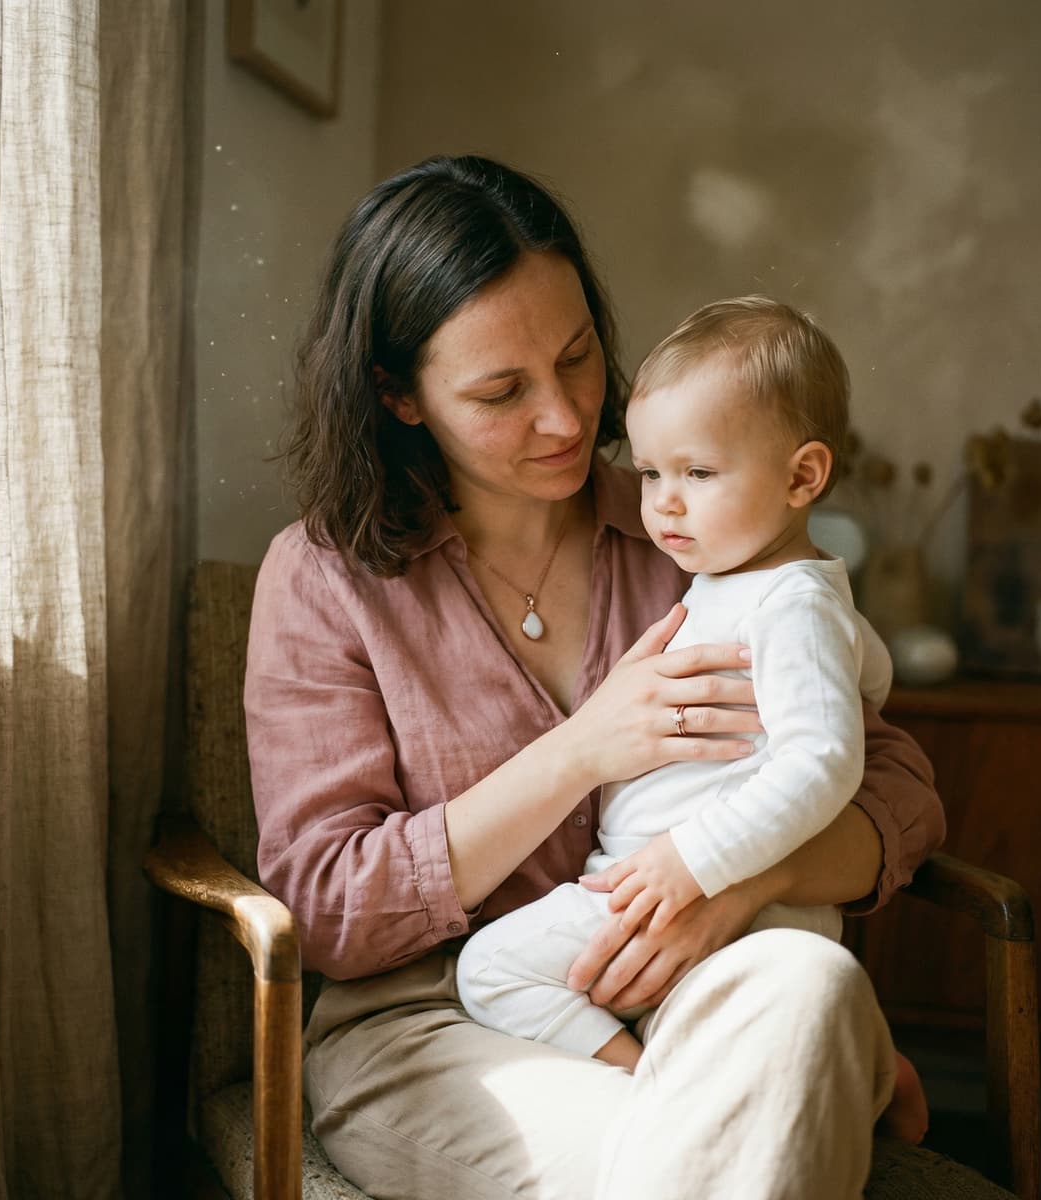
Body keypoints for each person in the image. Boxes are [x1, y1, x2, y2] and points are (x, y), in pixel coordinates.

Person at [244, 154, 945, 1200]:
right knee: (683, 1157)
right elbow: (336, 909)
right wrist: (580, 751)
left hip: (701, 983)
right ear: (398, 396)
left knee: (810, 984)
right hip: (438, 1023)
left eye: (577, 358)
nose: (570, 418)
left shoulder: (694, 525)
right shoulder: (325, 579)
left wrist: (731, 884)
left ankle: (795, 1076)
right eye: (501, 392)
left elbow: (895, 790)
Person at [454, 296, 928, 1142]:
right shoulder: (759, 585)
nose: (665, 505)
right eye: (650, 474)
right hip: (671, 889)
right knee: (724, 1051)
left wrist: (694, 863)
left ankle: (643, 1087)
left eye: (699, 474)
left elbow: (825, 763)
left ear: (802, 477)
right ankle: (857, 1077)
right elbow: (869, 675)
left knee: (490, 973)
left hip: (674, 883)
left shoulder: (787, 604)